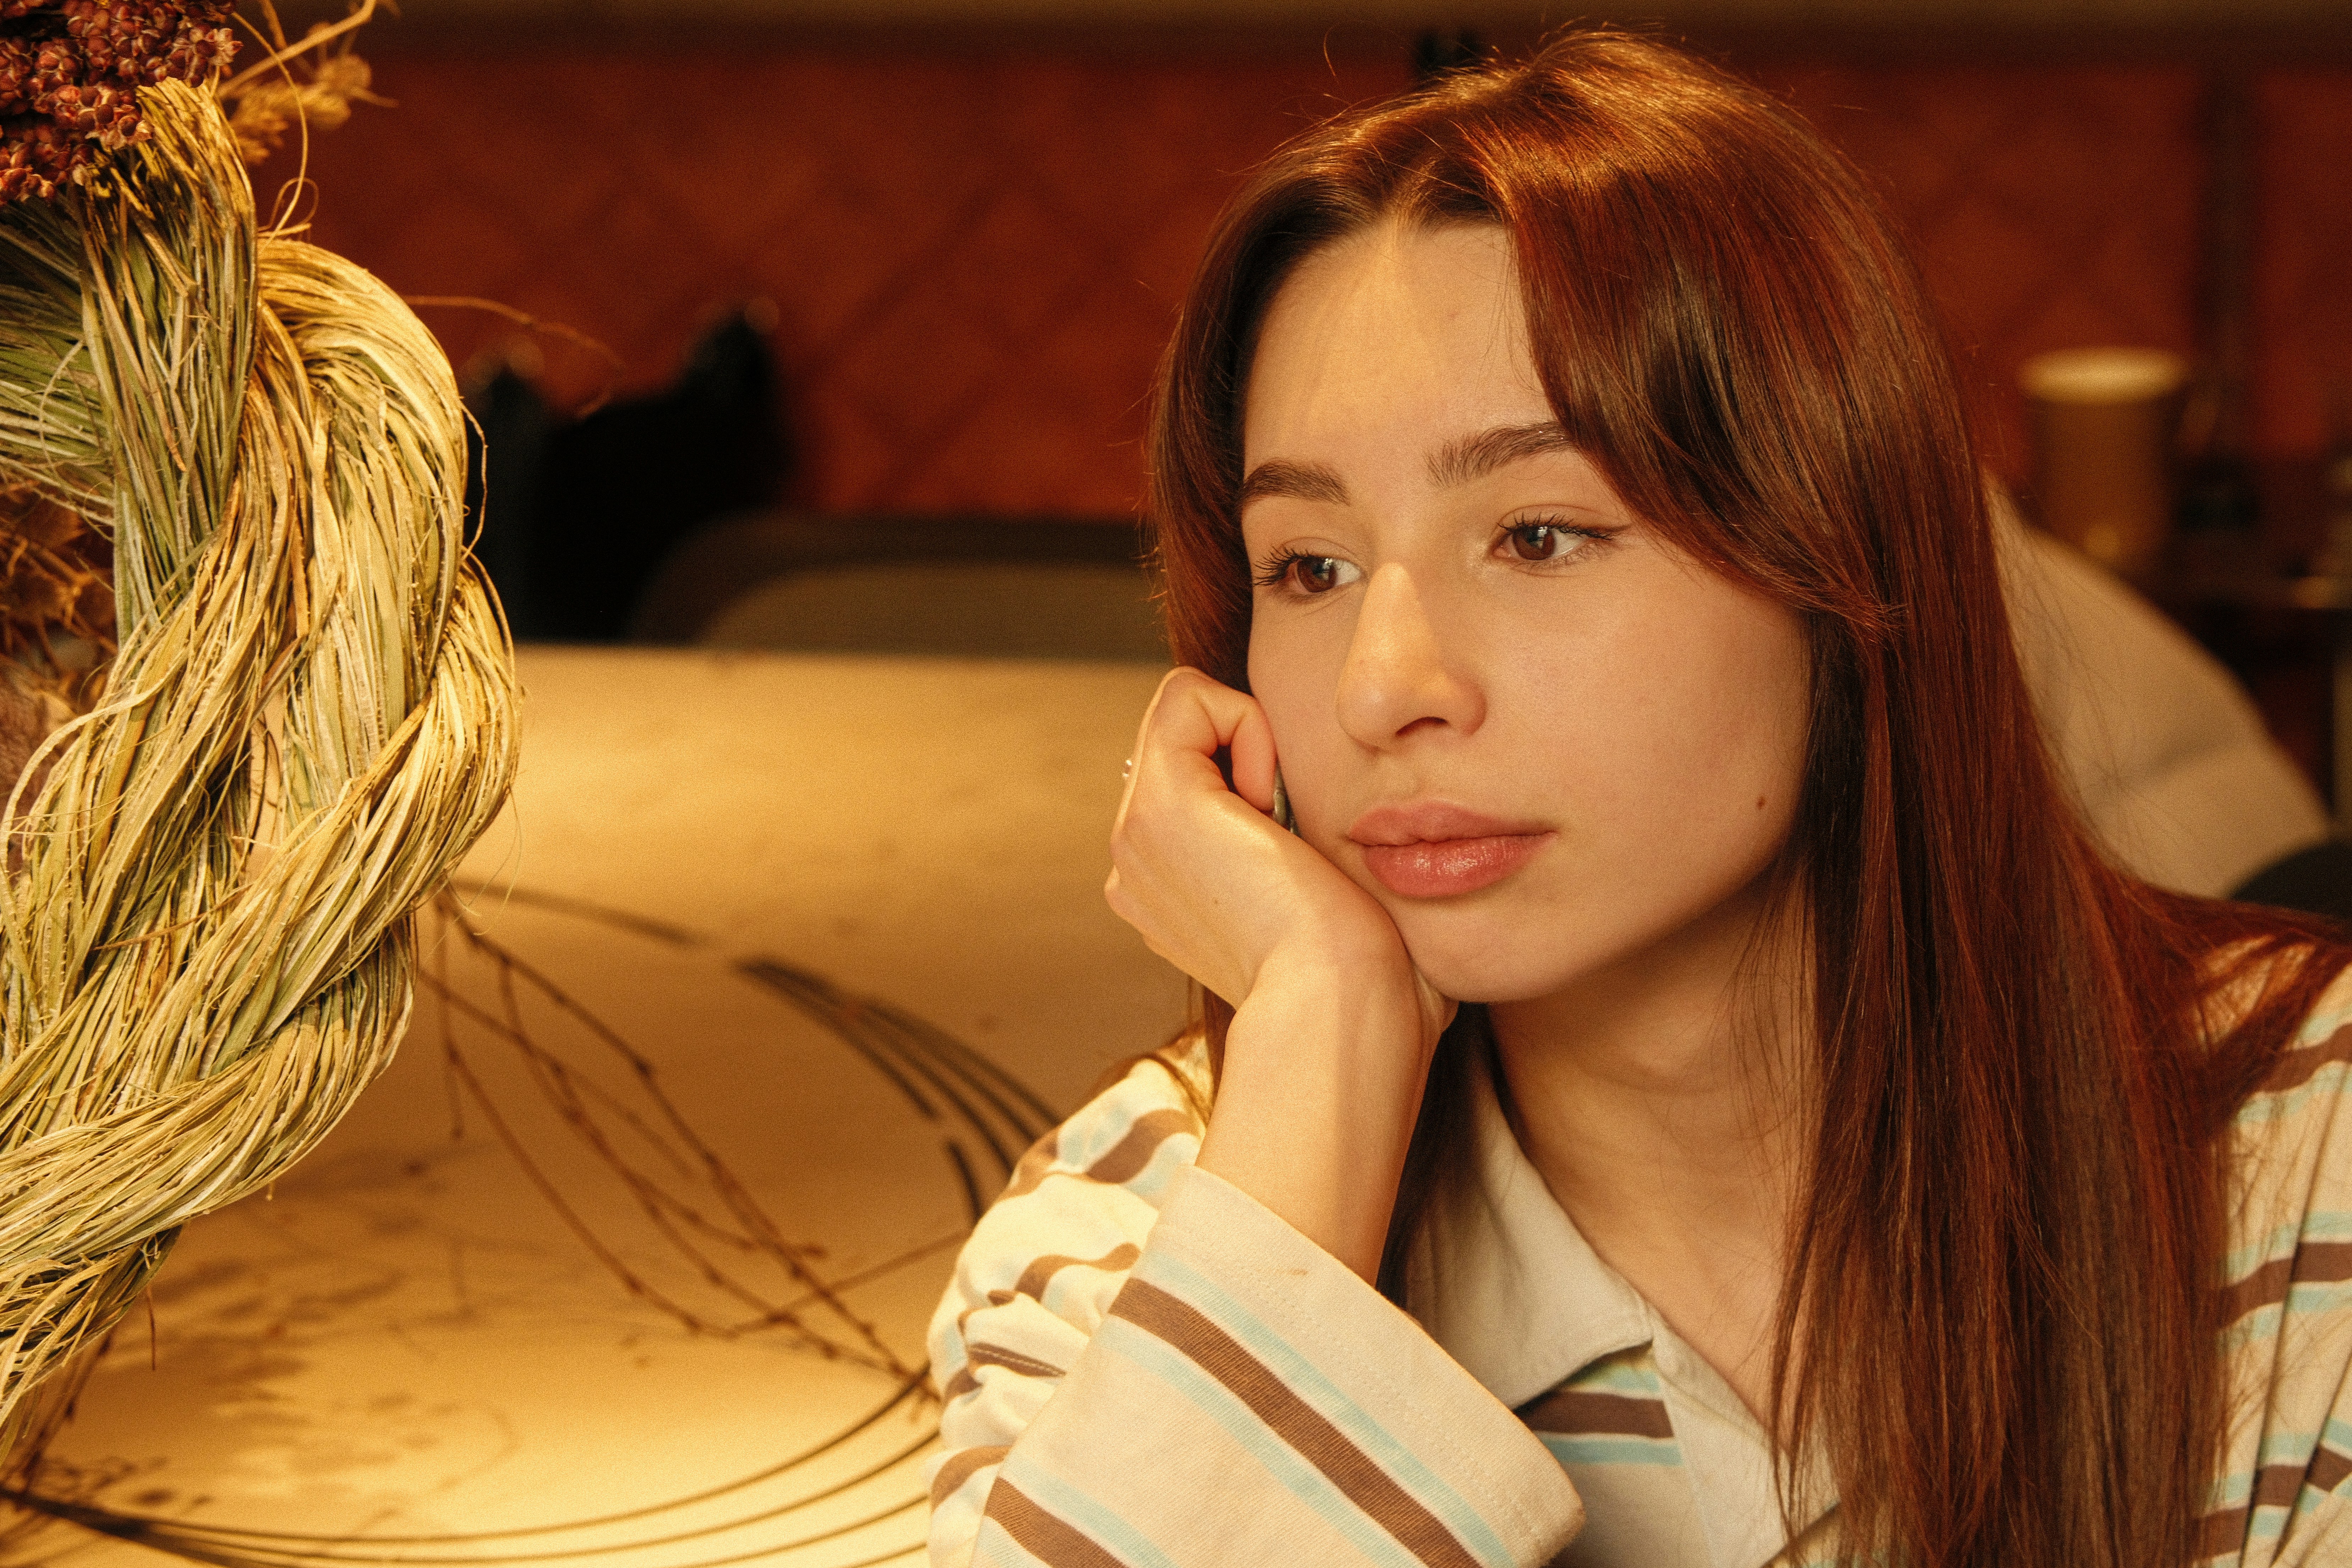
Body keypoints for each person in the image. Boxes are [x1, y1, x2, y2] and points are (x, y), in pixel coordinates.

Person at [926, 32, 2352, 1568]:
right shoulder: (1130, 1239)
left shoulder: (2303, 1160)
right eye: (1311, 568)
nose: (1379, 686)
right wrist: (1315, 1059)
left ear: (1839, 557)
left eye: (1537, 535)